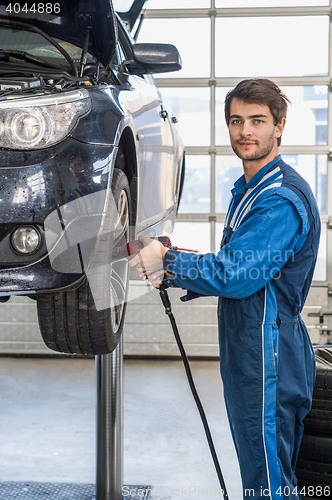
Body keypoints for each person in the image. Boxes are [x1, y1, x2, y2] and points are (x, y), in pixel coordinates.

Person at [129, 79, 320, 500]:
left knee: (268, 481)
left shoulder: (279, 200)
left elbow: (237, 274)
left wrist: (171, 264)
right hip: (249, 348)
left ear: (280, 126)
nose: (244, 131)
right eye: (236, 121)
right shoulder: (248, 190)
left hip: (268, 354)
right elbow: (243, 265)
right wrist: (170, 260)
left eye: (257, 121)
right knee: (261, 469)